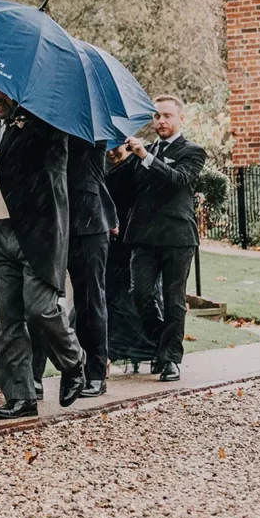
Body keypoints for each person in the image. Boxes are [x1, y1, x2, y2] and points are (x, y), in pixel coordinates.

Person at [0, 84, 86, 419]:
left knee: (40, 310)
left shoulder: (47, 124)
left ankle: (74, 361)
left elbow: (44, 164)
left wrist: (29, 115)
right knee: (7, 319)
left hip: (38, 234)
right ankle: (21, 397)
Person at [122, 95, 206, 382]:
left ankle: (170, 359)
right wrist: (122, 156)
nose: (160, 121)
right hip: (143, 235)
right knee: (140, 294)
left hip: (177, 236)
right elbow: (127, 188)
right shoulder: (142, 152)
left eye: (167, 116)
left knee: (174, 299)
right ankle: (162, 345)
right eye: (156, 116)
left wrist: (146, 157)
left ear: (180, 119)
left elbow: (178, 179)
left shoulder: (193, 151)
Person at [66, 134, 116, 397]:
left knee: (90, 301)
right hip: (51, 222)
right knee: (39, 302)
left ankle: (96, 372)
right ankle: (35, 378)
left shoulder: (92, 126)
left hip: (89, 223)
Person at [104, 142, 158, 372]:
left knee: (132, 295)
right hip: (111, 242)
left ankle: (150, 347)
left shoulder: (136, 166)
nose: (112, 152)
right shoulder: (105, 169)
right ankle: (112, 350)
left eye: (116, 146)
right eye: (108, 147)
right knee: (111, 297)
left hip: (134, 238)